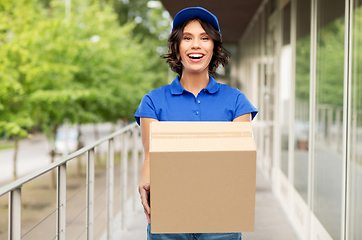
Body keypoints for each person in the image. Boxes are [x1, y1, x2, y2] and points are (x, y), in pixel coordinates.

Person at [134, 6, 258, 240]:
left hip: (221, 218)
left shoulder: (236, 101)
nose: (196, 45)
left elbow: (237, 161)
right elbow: (150, 156)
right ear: (176, 47)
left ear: (214, 48)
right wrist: (144, 181)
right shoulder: (153, 101)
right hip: (169, 214)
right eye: (187, 38)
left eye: (204, 38)